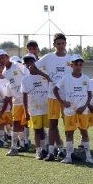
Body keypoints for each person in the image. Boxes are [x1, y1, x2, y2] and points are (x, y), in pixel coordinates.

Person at [36, 33, 71, 161]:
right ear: (54, 45)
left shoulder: (71, 59)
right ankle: (51, 152)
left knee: (68, 125)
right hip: (52, 96)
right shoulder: (48, 57)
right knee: (53, 124)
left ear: (66, 43)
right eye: (58, 44)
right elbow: (32, 68)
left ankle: (69, 153)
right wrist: (45, 76)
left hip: (67, 98)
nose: (61, 46)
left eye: (63, 43)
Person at [57, 54, 93, 164]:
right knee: (69, 133)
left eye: (80, 65)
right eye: (76, 64)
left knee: (84, 132)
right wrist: (62, 102)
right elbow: (55, 89)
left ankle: (89, 157)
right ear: (71, 65)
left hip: (83, 111)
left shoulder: (86, 79)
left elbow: (89, 95)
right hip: (70, 111)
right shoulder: (66, 78)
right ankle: (69, 156)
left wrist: (84, 106)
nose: (78, 66)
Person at [21, 54, 52, 160]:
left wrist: (39, 72)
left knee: (45, 130)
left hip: (46, 108)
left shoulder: (44, 75)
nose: (31, 65)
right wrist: (26, 111)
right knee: (37, 130)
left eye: (32, 62)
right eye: (28, 63)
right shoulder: (25, 80)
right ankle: (38, 151)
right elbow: (24, 97)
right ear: (25, 65)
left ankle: (45, 149)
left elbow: (51, 81)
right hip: (34, 109)